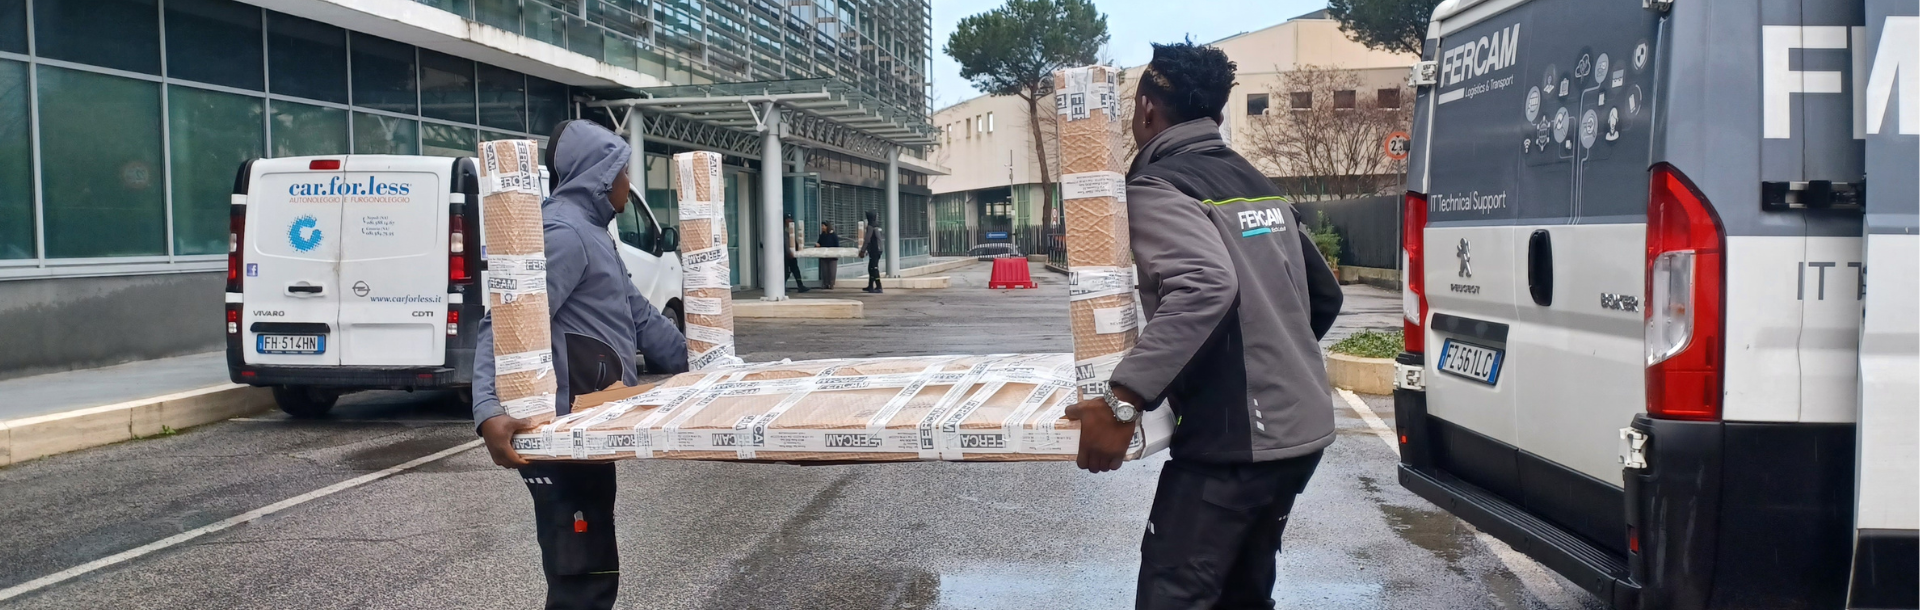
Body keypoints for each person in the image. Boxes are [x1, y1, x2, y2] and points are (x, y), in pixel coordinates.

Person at [1063, 41, 1343, 610]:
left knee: (1176, 595)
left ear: (1146, 108)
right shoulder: (1254, 180)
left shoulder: (1159, 186)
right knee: (1242, 594)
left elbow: (1205, 286)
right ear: (1215, 111)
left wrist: (1123, 401)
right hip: (1299, 432)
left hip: (1235, 446)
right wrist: (1269, 365)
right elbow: (1324, 294)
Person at [471, 120, 690, 610]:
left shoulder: (593, 233)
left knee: (594, 573)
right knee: (581, 581)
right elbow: (505, 319)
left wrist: (709, 366)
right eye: (622, 172)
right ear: (599, 175)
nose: (627, 183)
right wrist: (488, 411)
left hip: (590, 429)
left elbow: (639, 316)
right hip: (559, 436)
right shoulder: (565, 232)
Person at [783, 214, 810, 293]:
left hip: (791, 254)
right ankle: (782, 286)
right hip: (787, 255)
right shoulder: (782, 231)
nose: (791, 221)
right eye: (789, 220)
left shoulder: (788, 230)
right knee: (787, 271)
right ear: (785, 221)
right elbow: (785, 243)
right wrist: (789, 252)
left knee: (795, 270)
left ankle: (800, 285)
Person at [858, 211, 884, 293]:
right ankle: (870, 286)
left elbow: (867, 240)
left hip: (874, 250)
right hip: (878, 250)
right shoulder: (877, 226)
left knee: (874, 268)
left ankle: (879, 287)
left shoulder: (870, 227)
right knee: (871, 268)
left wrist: (862, 251)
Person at [815, 221, 840, 289]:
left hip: (832, 256)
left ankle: (831, 284)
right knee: (824, 271)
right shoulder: (822, 235)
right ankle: (825, 284)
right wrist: (817, 245)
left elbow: (837, 245)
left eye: (823, 226)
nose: (822, 227)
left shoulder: (833, 235)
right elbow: (819, 243)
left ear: (827, 226)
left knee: (832, 271)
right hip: (824, 256)